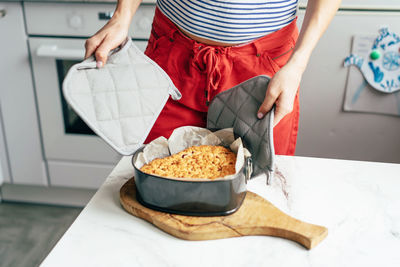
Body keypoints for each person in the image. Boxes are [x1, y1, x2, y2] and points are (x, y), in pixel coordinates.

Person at [85, 0, 341, 155]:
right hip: (172, 60)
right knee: (158, 177)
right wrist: (122, 16)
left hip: (263, 69)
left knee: (255, 189)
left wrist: (297, 63)